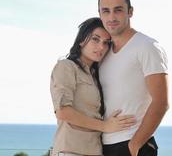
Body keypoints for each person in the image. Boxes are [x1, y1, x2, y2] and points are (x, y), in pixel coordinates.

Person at [98, 0, 169, 156]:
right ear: (99, 14)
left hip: (133, 145)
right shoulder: (103, 52)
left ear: (130, 12)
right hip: (105, 145)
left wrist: (135, 145)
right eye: (106, 11)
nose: (112, 17)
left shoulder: (147, 46)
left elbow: (161, 102)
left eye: (118, 10)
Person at [50, 17, 136, 156]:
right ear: (82, 40)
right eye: (95, 39)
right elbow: (63, 112)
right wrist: (105, 126)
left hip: (95, 151)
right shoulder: (66, 67)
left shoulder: (96, 75)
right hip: (71, 150)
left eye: (106, 43)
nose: (101, 47)